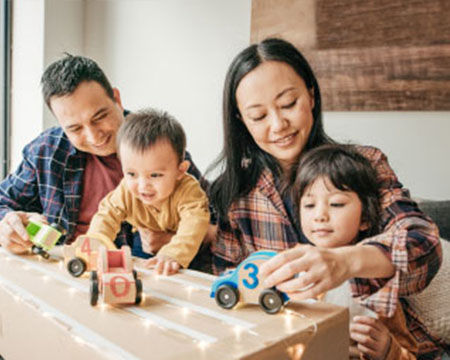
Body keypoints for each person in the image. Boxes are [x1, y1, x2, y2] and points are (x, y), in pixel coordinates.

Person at [208, 38, 442, 359]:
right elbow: (227, 283)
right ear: (242, 122)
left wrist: (344, 262)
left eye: (289, 103)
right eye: (259, 116)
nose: (278, 125)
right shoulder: (235, 194)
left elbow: (423, 244)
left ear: (311, 96)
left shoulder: (364, 165)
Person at [0, 54, 202, 258]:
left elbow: (217, 223)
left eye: (99, 117)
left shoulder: (159, 147)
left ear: (117, 99)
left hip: (131, 275)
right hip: (63, 266)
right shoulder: (46, 151)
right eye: (75, 128)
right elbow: (2, 201)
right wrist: (7, 223)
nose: (93, 136)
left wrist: (179, 242)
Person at [294, 144, 420, 360]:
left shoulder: (374, 277)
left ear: (365, 219)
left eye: (336, 204)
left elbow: (409, 352)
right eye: (309, 205)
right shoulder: (293, 263)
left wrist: (388, 348)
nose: (319, 216)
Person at [86, 109, 210, 275]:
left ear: (180, 171)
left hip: (187, 249)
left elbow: (194, 223)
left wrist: (172, 254)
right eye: (131, 174)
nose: (143, 185)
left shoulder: (188, 190)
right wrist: (96, 241)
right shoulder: (126, 190)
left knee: (184, 275)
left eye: (155, 175)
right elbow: (107, 214)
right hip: (143, 243)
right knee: (138, 272)